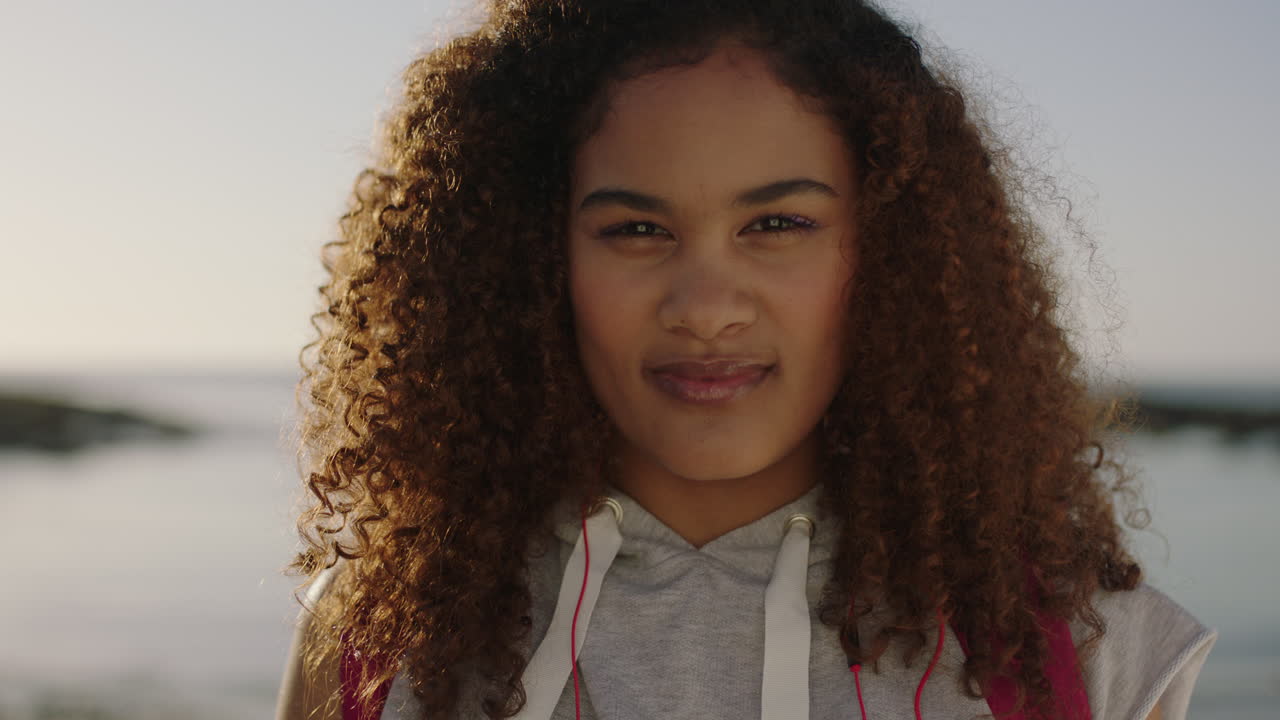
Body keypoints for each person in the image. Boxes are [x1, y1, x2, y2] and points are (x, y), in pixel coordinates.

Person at [275, 1, 1216, 718]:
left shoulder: (1083, 656)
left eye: (778, 223)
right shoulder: (377, 637)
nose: (707, 309)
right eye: (637, 228)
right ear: (530, 256)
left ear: (895, 252)